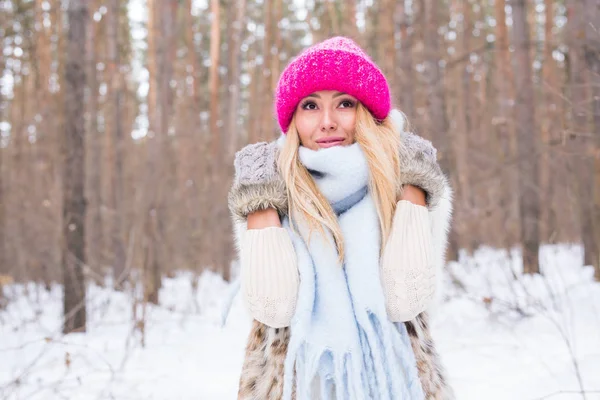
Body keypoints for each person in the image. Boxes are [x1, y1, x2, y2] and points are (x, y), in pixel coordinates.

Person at [228, 37, 454, 400]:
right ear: (294, 119)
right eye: (311, 106)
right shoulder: (268, 187)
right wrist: (260, 201)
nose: (328, 122)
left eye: (345, 103)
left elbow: (405, 300)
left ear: (365, 112)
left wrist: (413, 186)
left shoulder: (407, 182)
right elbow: (275, 306)